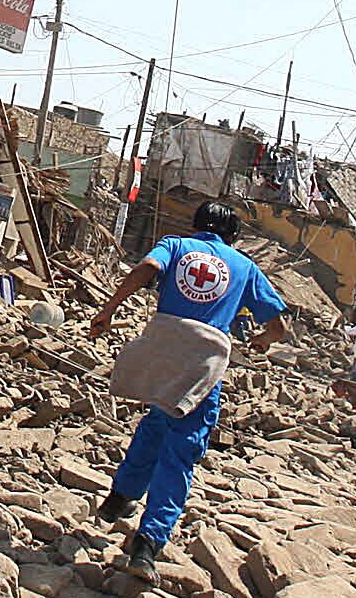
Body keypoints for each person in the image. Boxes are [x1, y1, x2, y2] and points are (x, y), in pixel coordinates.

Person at [87, 201, 290, 578]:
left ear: (196, 226)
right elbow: (278, 326)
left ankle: (118, 500)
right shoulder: (244, 266)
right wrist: (262, 341)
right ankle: (148, 544)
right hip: (201, 362)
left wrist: (110, 308)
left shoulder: (176, 245)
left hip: (162, 350)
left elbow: (147, 268)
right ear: (232, 237)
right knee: (181, 449)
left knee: (157, 423)